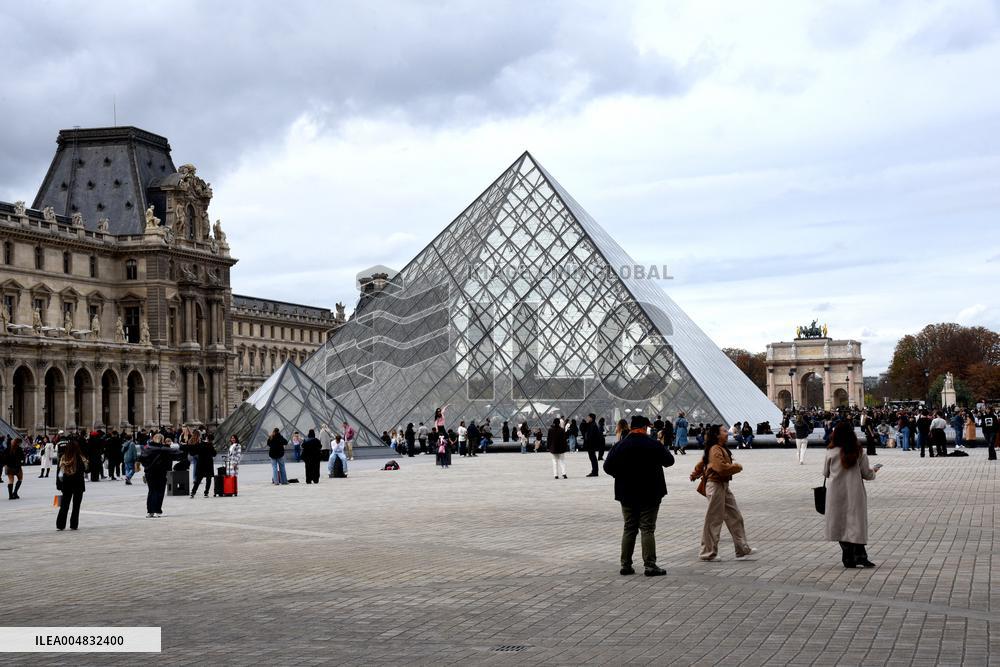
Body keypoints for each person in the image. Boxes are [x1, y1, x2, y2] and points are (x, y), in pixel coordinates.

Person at [603, 415, 674, 577]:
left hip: (626, 493)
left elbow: (607, 467)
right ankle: (650, 565)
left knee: (629, 528)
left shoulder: (620, 445)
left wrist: (620, 476)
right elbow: (669, 461)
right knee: (647, 528)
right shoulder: (653, 444)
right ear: (643, 427)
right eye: (647, 427)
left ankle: (625, 565)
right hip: (650, 492)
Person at [690, 424, 755, 562]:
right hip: (715, 485)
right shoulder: (715, 449)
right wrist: (737, 467)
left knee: (735, 517)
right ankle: (707, 553)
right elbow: (720, 468)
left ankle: (742, 548)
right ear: (717, 435)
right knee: (714, 520)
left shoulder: (718, 448)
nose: (728, 433)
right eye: (724, 431)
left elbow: (703, 461)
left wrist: (695, 473)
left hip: (723, 485)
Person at [824, 420, 878, 568]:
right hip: (855, 492)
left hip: (835, 493)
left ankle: (847, 555)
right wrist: (874, 471)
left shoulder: (831, 451)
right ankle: (860, 555)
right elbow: (867, 474)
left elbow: (826, 473)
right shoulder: (859, 451)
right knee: (855, 523)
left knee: (840, 523)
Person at [142, 433, 180, 518]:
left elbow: (142, 459)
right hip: (160, 473)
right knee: (159, 492)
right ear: (162, 440)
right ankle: (157, 510)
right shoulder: (163, 449)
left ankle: (150, 511)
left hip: (149, 473)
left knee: (151, 491)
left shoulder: (147, 448)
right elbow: (177, 454)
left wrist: (147, 468)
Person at [55, 439, 88, 530]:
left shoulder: (63, 457)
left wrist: (59, 485)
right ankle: (74, 524)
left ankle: (60, 524)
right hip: (78, 484)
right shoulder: (81, 458)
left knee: (64, 505)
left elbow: (60, 474)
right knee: (76, 506)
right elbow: (86, 469)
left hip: (66, 484)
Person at [189, 433, 215, 498]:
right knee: (208, 479)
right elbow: (214, 454)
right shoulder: (210, 445)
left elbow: (193, 452)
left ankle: (193, 492)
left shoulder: (200, 445)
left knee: (198, 479)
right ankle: (206, 493)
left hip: (201, 463)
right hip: (208, 464)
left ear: (206, 438)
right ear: (211, 440)